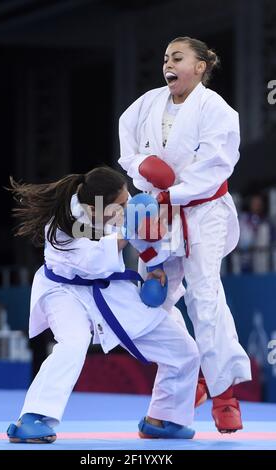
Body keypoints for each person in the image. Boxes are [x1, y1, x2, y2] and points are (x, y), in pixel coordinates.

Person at [6, 167, 200, 443]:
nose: (127, 204)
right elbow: (93, 261)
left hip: (112, 291)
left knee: (184, 350)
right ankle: (32, 417)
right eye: (120, 203)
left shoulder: (114, 210)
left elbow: (142, 239)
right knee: (73, 344)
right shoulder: (63, 223)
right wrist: (130, 227)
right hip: (65, 292)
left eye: (127, 198)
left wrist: (155, 266)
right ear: (93, 207)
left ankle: (163, 418)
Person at [118, 36, 252, 433]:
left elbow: (216, 167)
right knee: (153, 304)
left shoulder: (218, 111)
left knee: (205, 298)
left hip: (204, 210)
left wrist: (166, 191)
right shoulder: (146, 104)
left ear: (200, 66)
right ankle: (181, 391)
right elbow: (127, 149)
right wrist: (144, 165)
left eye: (177, 58)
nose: (167, 64)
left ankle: (224, 392)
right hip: (157, 213)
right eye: (164, 58)